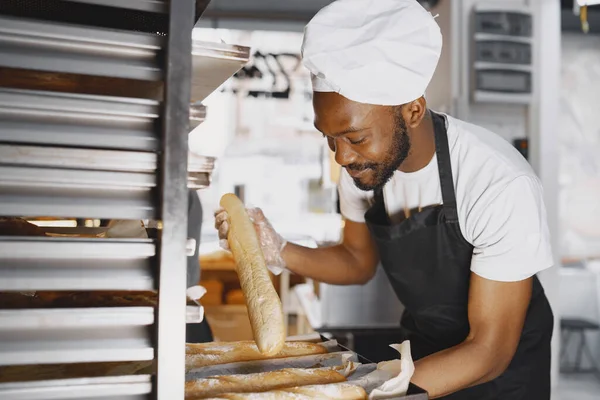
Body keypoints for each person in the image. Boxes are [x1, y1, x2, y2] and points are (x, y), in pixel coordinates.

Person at [216, 0, 554, 398]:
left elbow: (489, 349)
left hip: (500, 377)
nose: (341, 157)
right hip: (421, 356)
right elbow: (357, 262)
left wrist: (371, 391)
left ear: (412, 110)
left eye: (355, 138)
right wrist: (276, 248)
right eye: (329, 137)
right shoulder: (365, 168)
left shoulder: (496, 182)